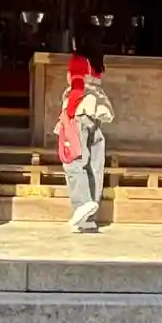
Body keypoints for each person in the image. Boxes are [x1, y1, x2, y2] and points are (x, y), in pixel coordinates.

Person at [57, 32, 112, 233]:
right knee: (93, 166)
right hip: (95, 116)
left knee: (73, 161)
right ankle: (88, 218)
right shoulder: (96, 64)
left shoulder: (78, 60)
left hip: (79, 113)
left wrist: (68, 113)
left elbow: (77, 88)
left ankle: (82, 203)